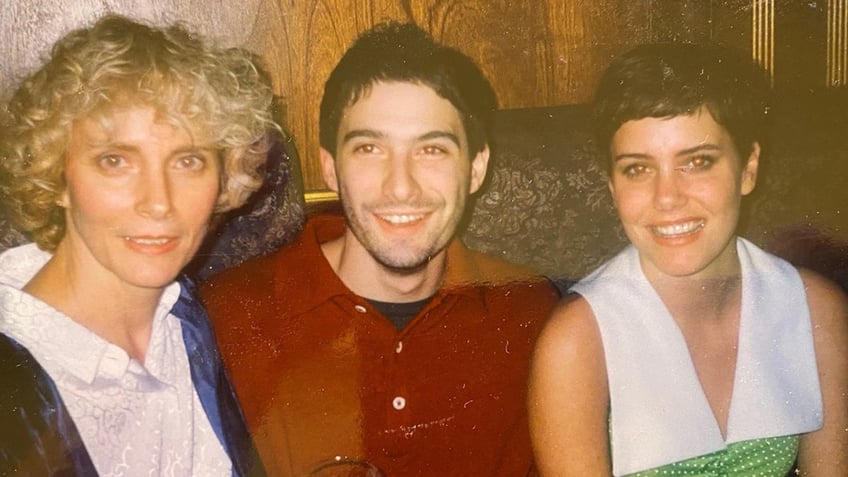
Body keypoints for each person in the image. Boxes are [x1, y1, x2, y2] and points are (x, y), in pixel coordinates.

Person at [201, 21, 560, 476]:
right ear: (330, 168)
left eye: (432, 150)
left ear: (475, 168)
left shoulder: (531, 313)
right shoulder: (226, 318)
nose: (401, 186)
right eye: (369, 148)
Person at [528, 43, 848, 476]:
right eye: (638, 169)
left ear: (748, 168)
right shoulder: (579, 341)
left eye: (697, 162)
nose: (667, 198)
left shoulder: (816, 311)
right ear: (611, 185)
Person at [0, 15, 278, 476]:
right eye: (115, 161)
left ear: (224, 178)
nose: (158, 202)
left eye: (188, 161)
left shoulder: (189, 319)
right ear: (57, 176)